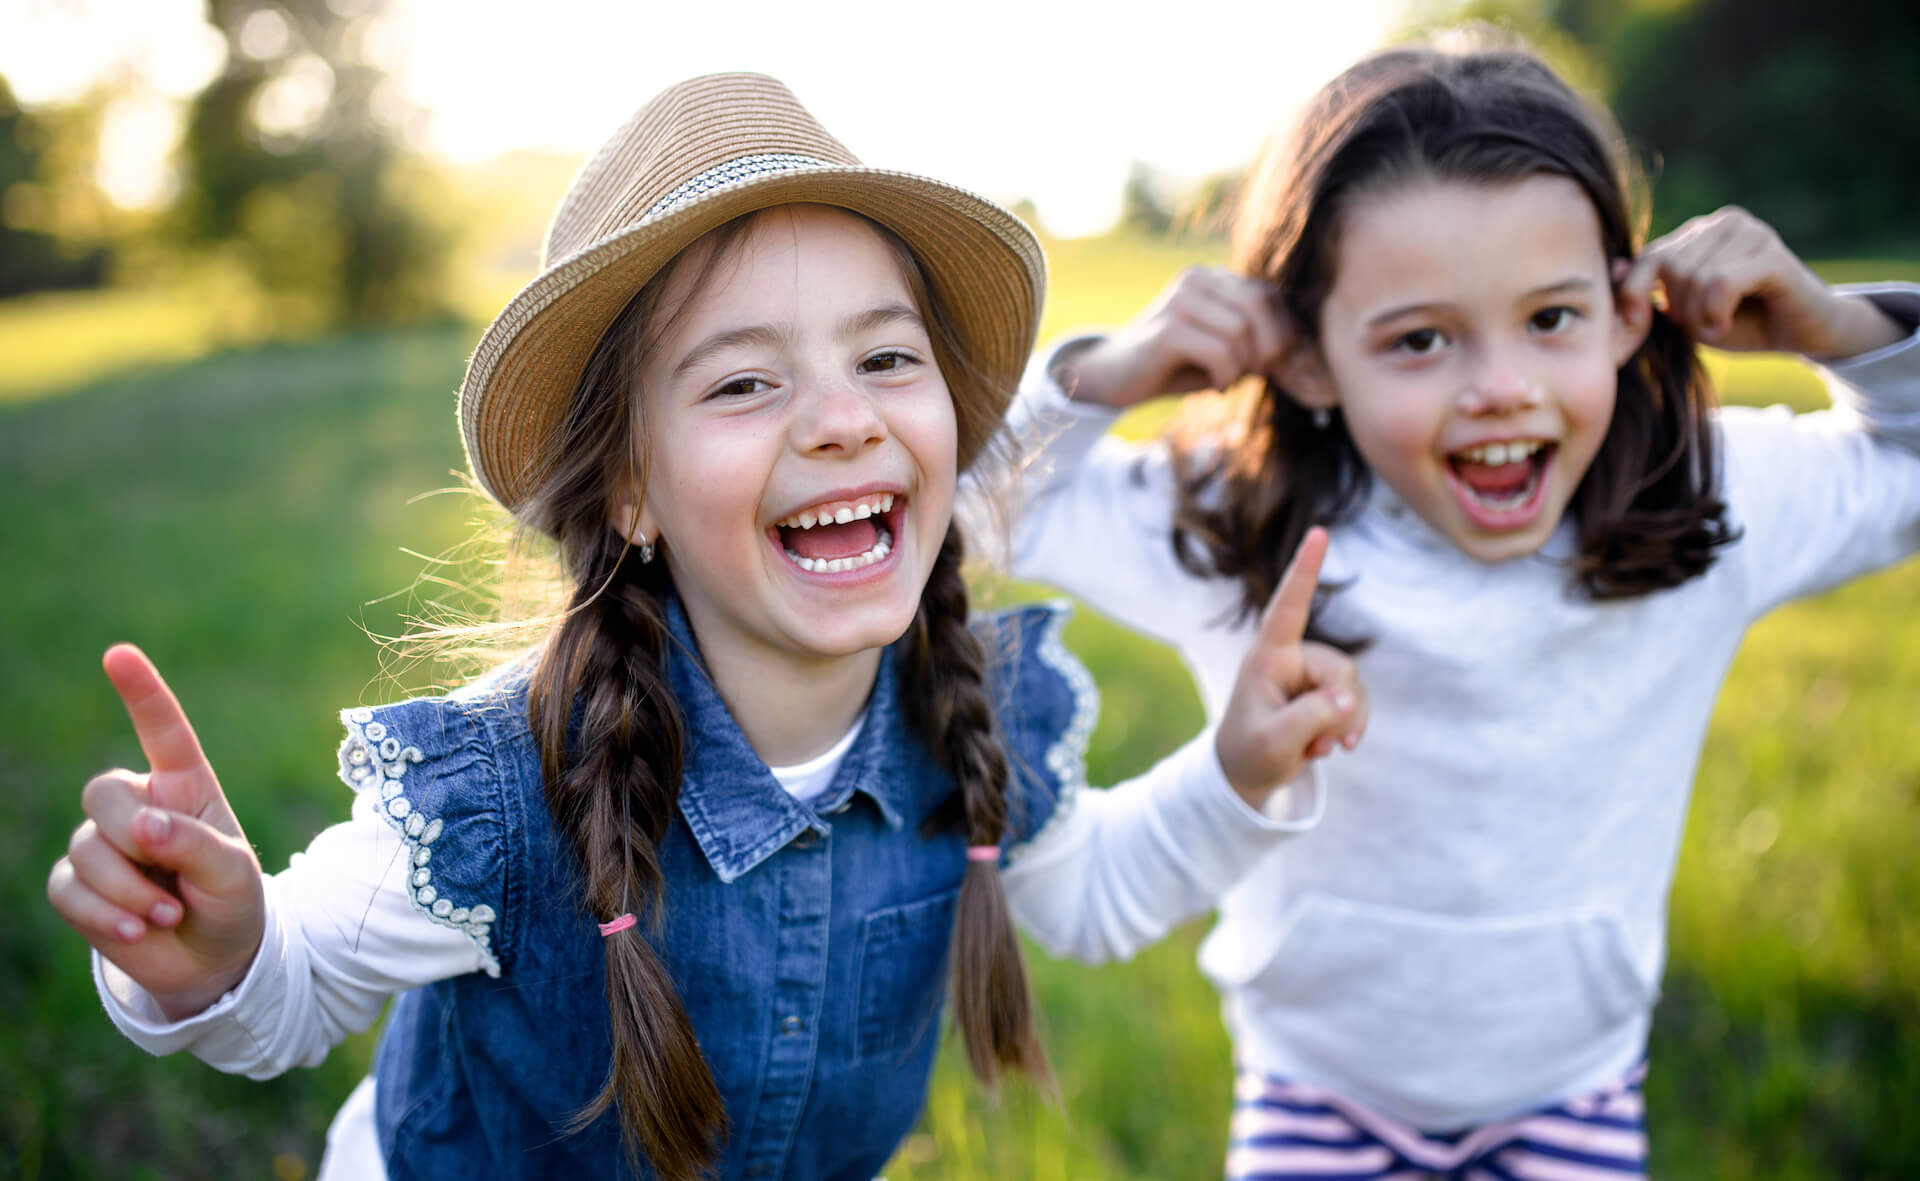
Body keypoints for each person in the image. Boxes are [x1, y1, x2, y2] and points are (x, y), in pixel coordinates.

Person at [44, 73, 1370, 1181]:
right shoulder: (508, 788)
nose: (842, 416)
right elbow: (292, 990)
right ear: (629, 489)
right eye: (745, 380)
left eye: (887, 358)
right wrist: (213, 958)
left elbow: (1089, 894)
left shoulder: (965, 721)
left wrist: (1238, 774)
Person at [1006, 33, 1920, 1180]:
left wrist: (1837, 330)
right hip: (1317, 1092)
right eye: (1421, 338)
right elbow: (966, 510)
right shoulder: (1236, 521)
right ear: (1306, 359)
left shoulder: (1704, 500)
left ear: (1630, 313)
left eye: (1551, 318)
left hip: (1570, 1092)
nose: (1501, 385)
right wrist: (1108, 375)